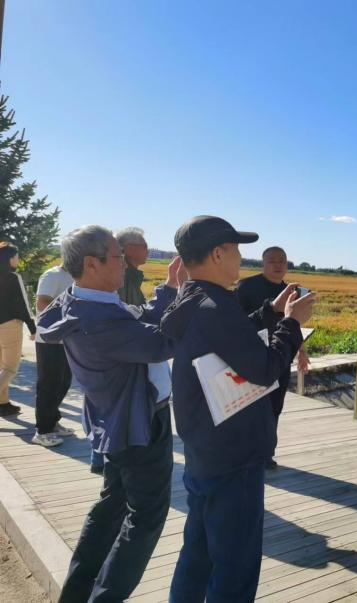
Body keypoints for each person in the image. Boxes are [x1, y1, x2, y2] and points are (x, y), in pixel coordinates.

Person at [162, 216, 314, 602]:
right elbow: (263, 369)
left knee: (198, 553)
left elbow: (227, 340)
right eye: (235, 250)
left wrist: (270, 312)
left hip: (204, 446)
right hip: (234, 454)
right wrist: (293, 324)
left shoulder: (192, 299)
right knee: (236, 565)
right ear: (217, 254)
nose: (240, 259)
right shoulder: (217, 306)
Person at [38, 225, 186, 603]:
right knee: (146, 517)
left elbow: (139, 324)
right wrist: (188, 298)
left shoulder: (81, 302)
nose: (125, 264)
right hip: (139, 424)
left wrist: (169, 288)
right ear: (92, 263)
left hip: (116, 421)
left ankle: (76, 594)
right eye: (118, 257)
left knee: (111, 510)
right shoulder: (98, 319)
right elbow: (161, 343)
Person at [235, 246, 311, 469]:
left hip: (281, 356)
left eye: (282, 260)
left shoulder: (292, 291)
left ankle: (266, 454)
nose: (278, 265)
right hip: (251, 358)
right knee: (250, 408)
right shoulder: (246, 287)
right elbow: (236, 323)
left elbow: (294, 325)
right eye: (272, 260)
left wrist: (302, 351)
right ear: (263, 264)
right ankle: (246, 453)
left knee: (274, 407)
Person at [31, 262, 75, 446]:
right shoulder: (52, 275)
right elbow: (42, 303)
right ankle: (42, 431)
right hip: (49, 339)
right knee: (49, 385)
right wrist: (68, 316)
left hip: (67, 339)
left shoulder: (73, 276)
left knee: (63, 382)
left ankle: (52, 421)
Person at [0, 242, 36, 417]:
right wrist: (32, 327)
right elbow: (23, 304)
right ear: (10, 258)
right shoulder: (14, 277)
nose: (18, 259)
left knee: (1, 366)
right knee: (10, 368)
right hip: (10, 325)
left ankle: (3, 403)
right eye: (16, 256)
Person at [116, 226, 149, 305]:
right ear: (130, 249)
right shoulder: (120, 279)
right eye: (145, 246)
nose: (148, 251)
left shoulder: (131, 276)